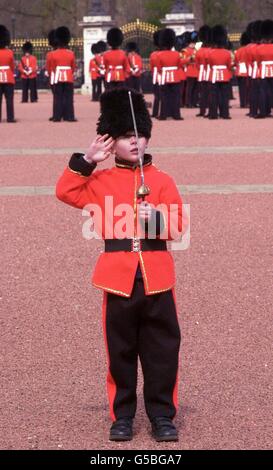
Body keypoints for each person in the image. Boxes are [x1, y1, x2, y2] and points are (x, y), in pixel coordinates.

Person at [56, 87, 183, 442]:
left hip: (157, 278)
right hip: (118, 278)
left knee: (162, 352)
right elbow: (66, 192)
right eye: (127, 136)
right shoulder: (100, 181)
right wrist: (88, 159)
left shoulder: (162, 180)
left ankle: (162, 415)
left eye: (140, 135)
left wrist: (154, 217)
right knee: (120, 352)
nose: (136, 142)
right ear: (113, 140)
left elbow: (178, 226)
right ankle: (122, 415)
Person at [50, 26, 77, 122]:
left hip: (58, 76)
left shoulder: (53, 54)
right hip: (68, 76)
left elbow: (52, 68)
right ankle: (69, 116)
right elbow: (73, 67)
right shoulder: (71, 53)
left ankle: (57, 116)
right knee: (69, 97)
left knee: (58, 97)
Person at [157, 28, 183, 120]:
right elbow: (179, 66)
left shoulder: (159, 55)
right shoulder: (176, 54)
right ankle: (176, 115)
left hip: (164, 77)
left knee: (164, 97)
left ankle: (163, 115)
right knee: (175, 97)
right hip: (175, 77)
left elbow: (159, 68)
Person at [0, 24, 16, 123]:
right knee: (9, 99)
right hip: (8, 77)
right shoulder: (10, 52)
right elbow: (12, 66)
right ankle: (10, 118)